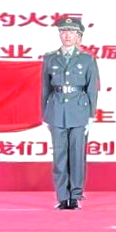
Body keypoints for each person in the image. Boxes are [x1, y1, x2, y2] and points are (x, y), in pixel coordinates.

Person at [42, 16, 100, 210]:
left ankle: (75, 195)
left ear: (78, 36)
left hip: (79, 110)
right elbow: (45, 88)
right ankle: (62, 197)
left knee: (76, 155)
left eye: (71, 32)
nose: (67, 35)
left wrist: (91, 115)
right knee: (59, 157)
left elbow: (92, 89)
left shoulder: (87, 59)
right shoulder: (50, 58)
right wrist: (44, 114)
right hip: (56, 110)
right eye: (63, 32)